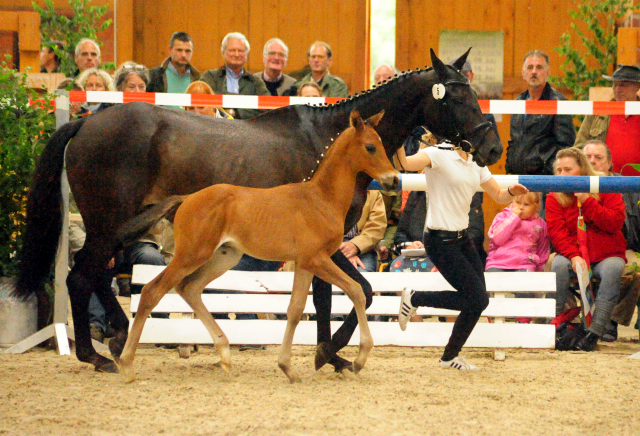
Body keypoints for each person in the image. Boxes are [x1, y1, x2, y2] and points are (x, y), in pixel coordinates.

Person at [395, 139, 529, 370]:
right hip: (439, 240)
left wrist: (511, 192)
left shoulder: (475, 159)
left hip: (462, 238)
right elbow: (404, 163)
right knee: (478, 299)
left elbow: (497, 194)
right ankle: (416, 300)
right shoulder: (436, 154)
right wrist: (399, 132)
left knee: (478, 302)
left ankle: (449, 355)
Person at [547, 147, 626, 351]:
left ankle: (595, 331)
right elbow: (557, 232)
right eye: (559, 170)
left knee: (614, 268)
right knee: (558, 264)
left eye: (568, 170)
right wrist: (573, 256)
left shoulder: (606, 185)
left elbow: (614, 223)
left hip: (605, 253)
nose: (562, 175)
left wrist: (587, 201)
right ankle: (553, 324)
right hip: (572, 252)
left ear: (582, 169)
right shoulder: (554, 195)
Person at [582, 140, 640, 341]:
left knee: (634, 268)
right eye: (587, 157)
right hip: (576, 249)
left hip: (620, 247)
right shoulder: (567, 182)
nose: (592, 162)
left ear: (609, 163)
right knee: (553, 262)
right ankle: (564, 320)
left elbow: (622, 225)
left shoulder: (624, 186)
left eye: (598, 158)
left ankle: (610, 321)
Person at [506, 50, 575, 176]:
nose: (534, 72)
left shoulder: (558, 102)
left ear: (547, 72)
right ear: (523, 73)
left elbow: (566, 146)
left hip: (544, 180)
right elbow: (514, 141)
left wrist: (548, 174)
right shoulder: (518, 102)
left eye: (539, 67)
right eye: (530, 67)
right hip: (517, 178)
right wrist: (509, 170)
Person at [575, 65, 640, 175]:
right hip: (603, 181)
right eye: (615, 85)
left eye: (623, 85)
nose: (617, 89)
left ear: (637, 87)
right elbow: (579, 147)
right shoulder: (598, 112)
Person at [200, 32, 270, 119]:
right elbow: (201, 103)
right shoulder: (210, 77)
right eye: (232, 50)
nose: (236, 54)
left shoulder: (255, 82)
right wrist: (229, 112)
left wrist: (236, 112)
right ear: (223, 52)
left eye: (240, 51)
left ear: (246, 54)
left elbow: (267, 107)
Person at [486, 191, 549, 274]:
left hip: (525, 264)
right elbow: (497, 239)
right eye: (518, 202)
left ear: (536, 207)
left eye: (526, 204)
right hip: (497, 263)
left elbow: (543, 248)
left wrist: (540, 268)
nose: (521, 207)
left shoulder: (540, 224)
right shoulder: (502, 217)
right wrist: (513, 218)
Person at [341, 190, 387, 273]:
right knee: (322, 277)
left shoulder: (373, 192)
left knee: (362, 275)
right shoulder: (326, 188)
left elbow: (377, 227)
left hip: (364, 248)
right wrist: (343, 252)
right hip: (330, 247)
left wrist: (355, 246)